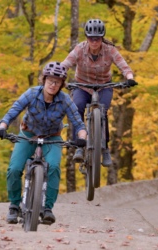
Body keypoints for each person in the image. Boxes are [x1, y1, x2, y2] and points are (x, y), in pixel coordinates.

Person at [0, 62, 87, 225]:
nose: (53, 84)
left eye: (57, 82)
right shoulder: (31, 94)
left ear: (61, 85)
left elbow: (78, 123)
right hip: (28, 134)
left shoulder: (65, 100)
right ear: (43, 80)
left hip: (52, 137)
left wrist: (82, 137)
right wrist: (3, 127)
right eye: (50, 80)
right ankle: (14, 205)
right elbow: (13, 111)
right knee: (14, 168)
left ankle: (47, 209)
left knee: (53, 166)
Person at [61, 18, 138, 167]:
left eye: (97, 38)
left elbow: (124, 66)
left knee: (102, 111)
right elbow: (65, 64)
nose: (94, 42)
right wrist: (58, 76)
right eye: (91, 38)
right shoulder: (79, 49)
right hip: (82, 86)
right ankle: (79, 146)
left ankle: (105, 149)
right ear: (87, 38)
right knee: (77, 108)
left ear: (102, 38)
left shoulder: (110, 50)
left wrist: (129, 78)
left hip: (104, 86)